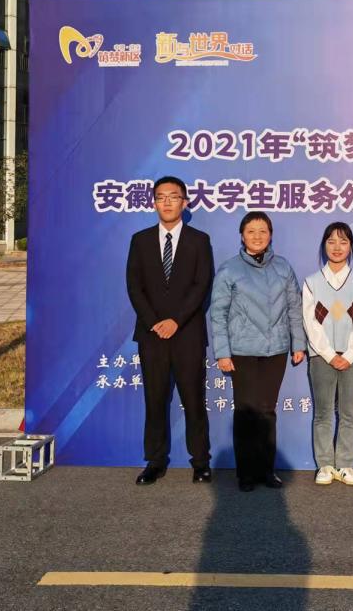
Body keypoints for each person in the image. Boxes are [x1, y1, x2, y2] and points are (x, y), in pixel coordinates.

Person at [125, 176, 214, 486]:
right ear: (153, 203)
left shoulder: (199, 240)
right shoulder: (140, 240)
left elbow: (201, 284)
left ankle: (201, 462)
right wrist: (154, 322)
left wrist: (176, 320)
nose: (166, 202)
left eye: (173, 196)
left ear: (184, 203)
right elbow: (134, 286)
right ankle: (155, 461)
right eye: (160, 197)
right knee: (155, 400)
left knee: (194, 399)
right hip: (151, 336)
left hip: (188, 334)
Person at [210, 211, 307, 492]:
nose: (257, 236)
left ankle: (267, 470)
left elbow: (295, 307)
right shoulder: (229, 270)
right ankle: (246, 473)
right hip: (242, 350)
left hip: (276, 350)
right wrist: (222, 352)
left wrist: (298, 344)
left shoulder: (283, 267)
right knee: (245, 411)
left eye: (263, 231)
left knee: (267, 411)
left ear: (270, 235)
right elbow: (218, 313)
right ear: (242, 236)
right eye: (251, 231)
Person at [302, 222, 353, 486]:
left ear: (351, 247)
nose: (337, 247)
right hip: (321, 357)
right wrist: (330, 354)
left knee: (348, 413)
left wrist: (351, 354)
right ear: (324, 246)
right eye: (331, 241)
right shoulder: (311, 283)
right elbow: (310, 322)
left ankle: (345, 465)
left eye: (343, 242)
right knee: (322, 413)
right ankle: (325, 465)